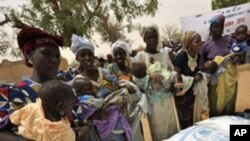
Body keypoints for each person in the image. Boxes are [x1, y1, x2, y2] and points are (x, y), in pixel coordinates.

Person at [0, 27, 64, 141]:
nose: (54, 60)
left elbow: (76, 119)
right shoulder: (11, 92)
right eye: (47, 53)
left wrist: (85, 128)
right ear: (29, 57)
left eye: (57, 56)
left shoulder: (66, 88)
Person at [134, 24, 180, 141]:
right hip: (153, 101)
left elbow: (172, 70)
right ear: (144, 39)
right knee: (159, 130)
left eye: (155, 36)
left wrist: (173, 83)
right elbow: (136, 79)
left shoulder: (164, 54)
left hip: (167, 97)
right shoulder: (140, 56)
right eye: (149, 37)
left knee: (171, 127)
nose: (152, 40)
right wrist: (150, 77)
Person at [6, 80, 78, 141]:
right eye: (71, 106)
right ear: (60, 106)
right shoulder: (63, 130)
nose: (71, 110)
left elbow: (10, 121)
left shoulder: (30, 108)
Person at [72, 76, 132, 141]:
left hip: (110, 128)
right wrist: (93, 115)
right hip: (104, 131)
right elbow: (83, 114)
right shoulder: (81, 103)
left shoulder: (93, 97)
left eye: (92, 88)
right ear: (79, 92)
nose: (92, 91)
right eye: (89, 89)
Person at [200, 14, 238, 117]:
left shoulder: (229, 40)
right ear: (211, 28)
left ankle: (229, 131)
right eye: (216, 26)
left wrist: (235, 58)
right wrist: (207, 65)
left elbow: (236, 54)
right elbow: (201, 66)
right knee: (215, 108)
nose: (219, 29)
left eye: (221, 26)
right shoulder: (205, 46)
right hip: (214, 82)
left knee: (229, 107)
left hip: (230, 80)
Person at [174, 31, 209, 129]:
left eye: (200, 41)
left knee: (194, 116)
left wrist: (199, 74)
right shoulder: (182, 56)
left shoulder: (198, 56)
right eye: (197, 42)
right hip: (183, 94)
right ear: (188, 44)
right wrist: (193, 79)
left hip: (193, 92)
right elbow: (176, 74)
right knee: (185, 119)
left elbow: (198, 70)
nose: (200, 44)